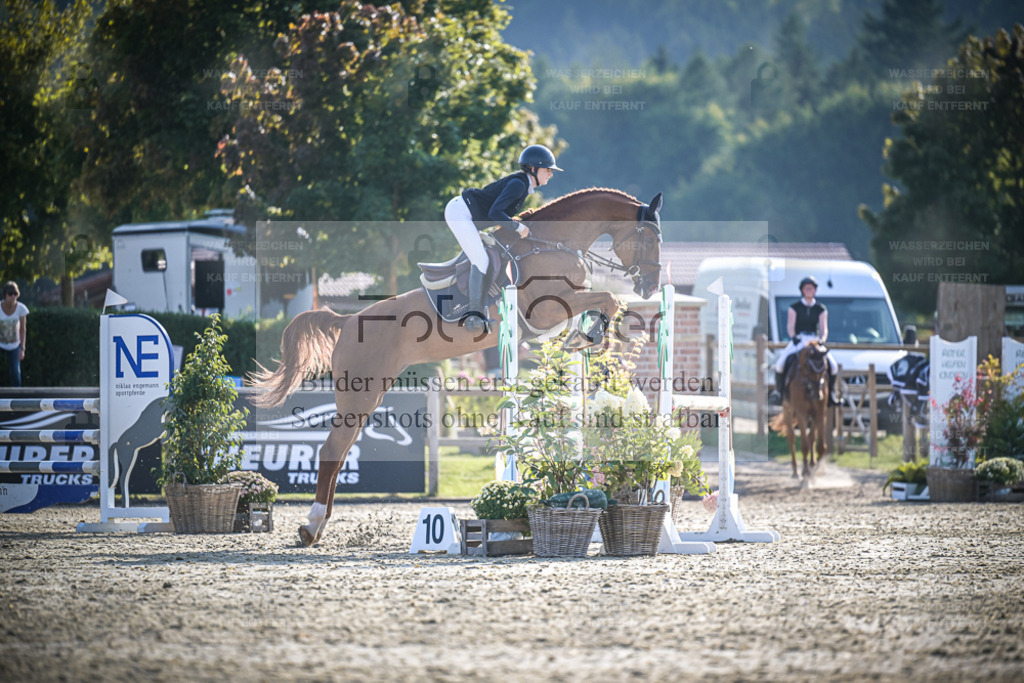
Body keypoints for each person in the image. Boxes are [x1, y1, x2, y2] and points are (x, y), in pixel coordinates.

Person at [444, 144, 562, 333]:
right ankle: (473, 316)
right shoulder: (518, 184)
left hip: (466, 214)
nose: (551, 173)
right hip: (460, 213)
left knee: (487, 257)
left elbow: (498, 213)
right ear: (533, 168)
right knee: (480, 260)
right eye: (547, 169)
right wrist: (517, 227)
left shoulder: (522, 185)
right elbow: (495, 212)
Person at [771, 276, 841, 406]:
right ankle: (779, 392)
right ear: (802, 290)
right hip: (800, 338)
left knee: (833, 365)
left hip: (814, 339)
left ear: (815, 290)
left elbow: (823, 329)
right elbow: (790, 326)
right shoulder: (794, 307)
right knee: (780, 364)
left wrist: (822, 340)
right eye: (806, 288)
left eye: (811, 288)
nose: (809, 290)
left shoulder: (821, 309)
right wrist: (794, 337)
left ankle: (831, 394)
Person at [0, 281, 29, 387]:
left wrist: (22, 348)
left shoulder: (21, 308)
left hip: (14, 345)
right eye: (10, 294)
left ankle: (16, 395)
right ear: (5, 295)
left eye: (15, 294)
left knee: (15, 373)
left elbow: (23, 329)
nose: (13, 296)